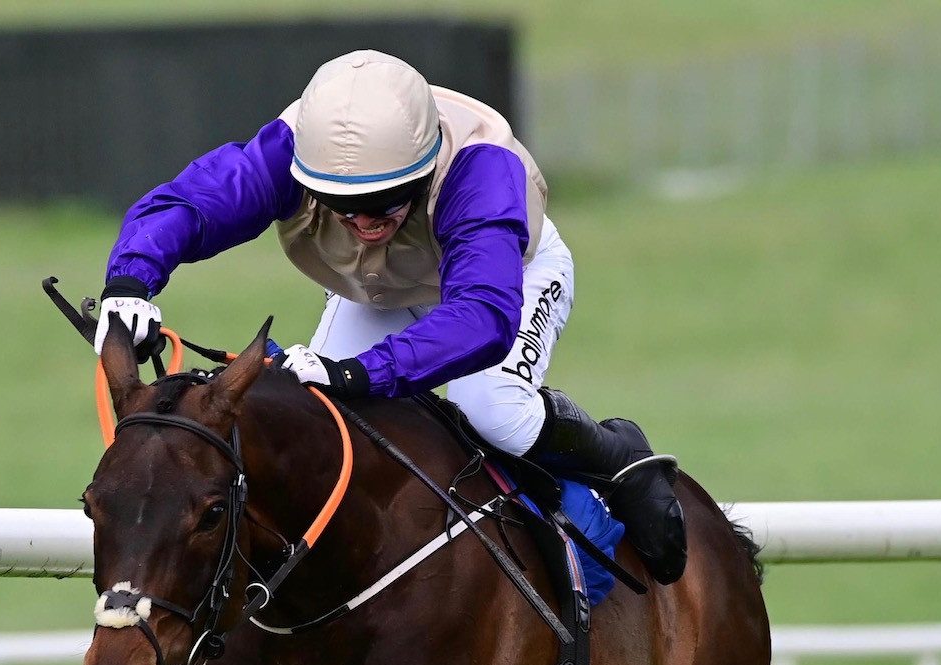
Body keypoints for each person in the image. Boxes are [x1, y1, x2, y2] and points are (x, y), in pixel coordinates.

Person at [95, 49, 686, 584]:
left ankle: (618, 457)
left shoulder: (481, 168)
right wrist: (129, 285)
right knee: (324, 420)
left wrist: (357, 372)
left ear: (425, 167)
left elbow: (481, 316)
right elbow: (191, 202)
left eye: (386, 200)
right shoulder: (291, 149)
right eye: (344, 205)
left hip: (509, 279)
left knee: (491, 408)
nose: (366, 222)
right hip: (375, 291)